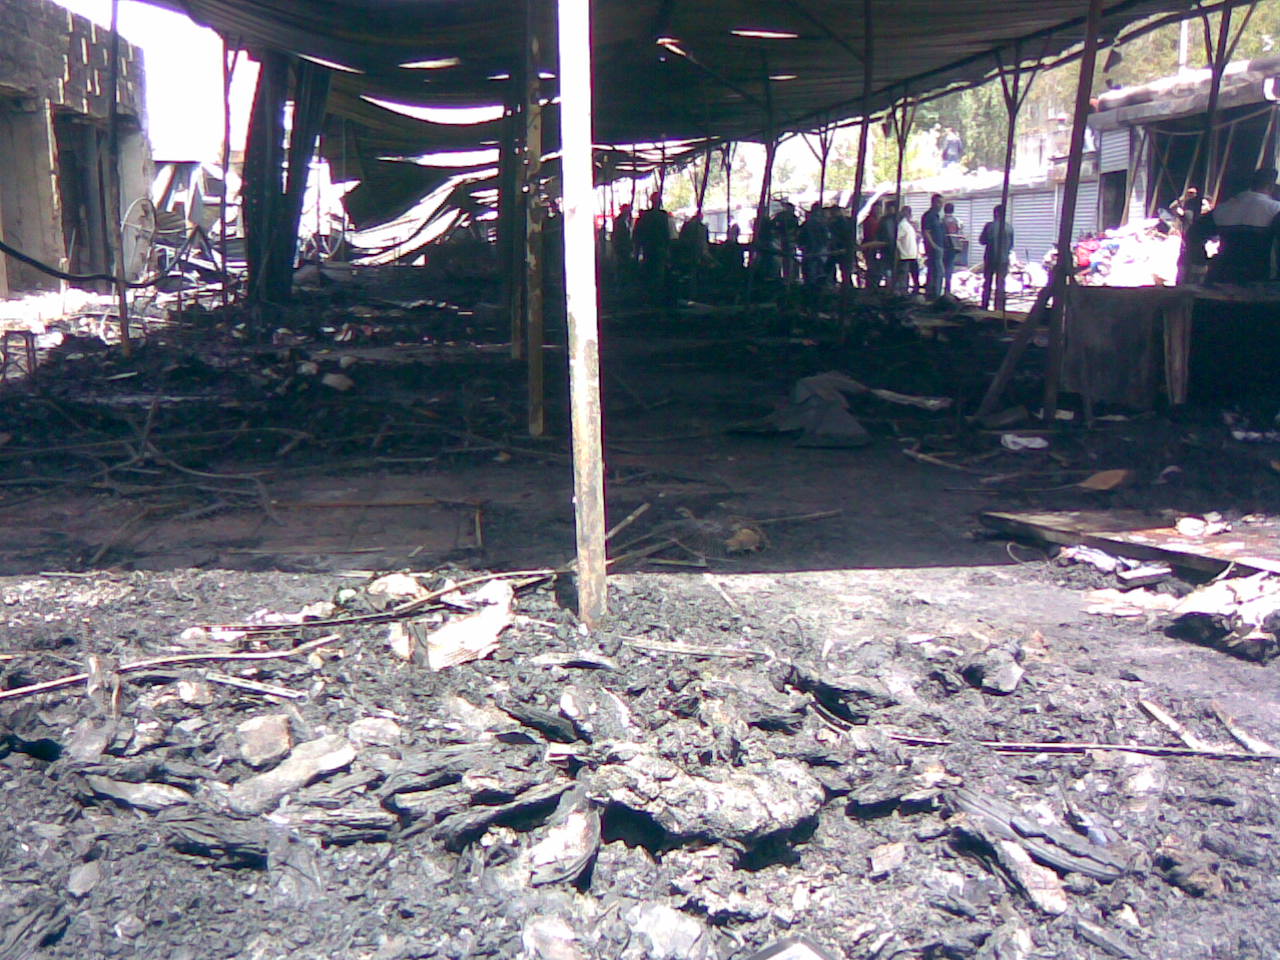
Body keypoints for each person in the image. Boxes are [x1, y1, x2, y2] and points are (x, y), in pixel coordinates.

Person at [1189, 168, 1280, 284]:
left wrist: (1201, 261)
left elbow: (1193, 234)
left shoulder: (1224, 208)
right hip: (1260, 279)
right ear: (1271, 186)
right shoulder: (1275, 210)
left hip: (1223, 276)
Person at [979, 204, 1015, 310]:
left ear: (995, 214)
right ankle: (999, 308)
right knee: (1001, 284)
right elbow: (1011, 245)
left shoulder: (989, 226)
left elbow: (982, 241)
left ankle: (985, 305)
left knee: (987, 283)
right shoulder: (1009, 227)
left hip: (990, 258)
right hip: (1003, 259)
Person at [798, 202, 829, 288]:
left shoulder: (809, 223)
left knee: (811, 267)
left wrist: (801, 244)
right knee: (817, 267)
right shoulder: (821, 223)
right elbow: (826, 237)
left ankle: (811, 285)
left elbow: (801, 235)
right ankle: (816, 285)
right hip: (817, 248)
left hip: (811, 248)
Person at [921, 193, 946, 298]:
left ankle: (932, 294)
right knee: (937, 272)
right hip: (934, 249)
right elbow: (926, 232)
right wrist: (934, 245)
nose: (941, 205)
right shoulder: (929, 216)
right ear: (933, 202)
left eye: (942, 203)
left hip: (939, 247)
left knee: (935, 272)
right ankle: (934, 295)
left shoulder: (937, 216)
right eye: (939, 202)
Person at [896, 205, 921, 295]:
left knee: (914, 275)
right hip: (905, 255)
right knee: (904, 276)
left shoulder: (908, 225)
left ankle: (914, 291)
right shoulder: (902, 225)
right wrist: (901, 251)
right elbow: (897, 239)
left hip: (912, 254)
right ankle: (903, 293)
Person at [942, 201, 965, 294]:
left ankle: (939, 288)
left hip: (943, 246)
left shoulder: (941, 220)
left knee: (941, 267)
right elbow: (960, 233)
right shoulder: (957, 221)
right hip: (954, 247)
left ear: (944, 210)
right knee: (949, 267)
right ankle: (947, 288)